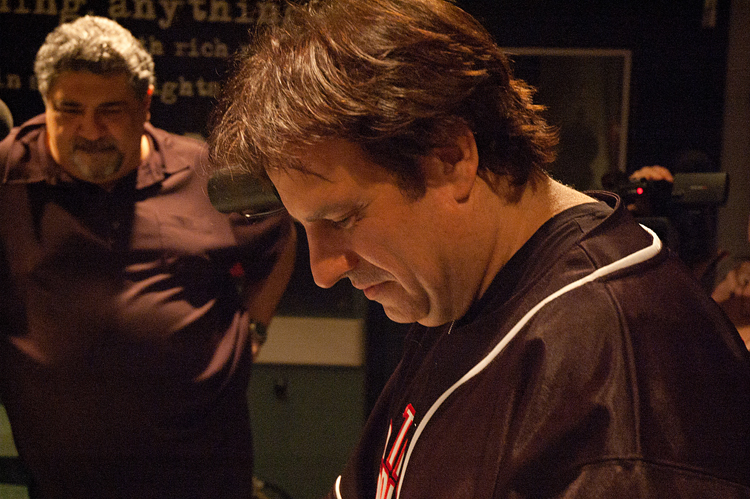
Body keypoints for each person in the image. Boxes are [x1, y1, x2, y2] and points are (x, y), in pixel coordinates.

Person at [208, 0, 750, 497]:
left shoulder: (616, 366)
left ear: (450, 158)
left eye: (343, 218)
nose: (323, 271)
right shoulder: (459, 293)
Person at [0, 15, 296, 498]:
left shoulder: (205, 172)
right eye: (69, 110)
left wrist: (256, 330)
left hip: (204, 473)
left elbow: (279, 241)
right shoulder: (8, 174)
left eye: (110, 110)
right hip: (66, 483)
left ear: (146, 104)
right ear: (46, 104)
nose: (89, 130)